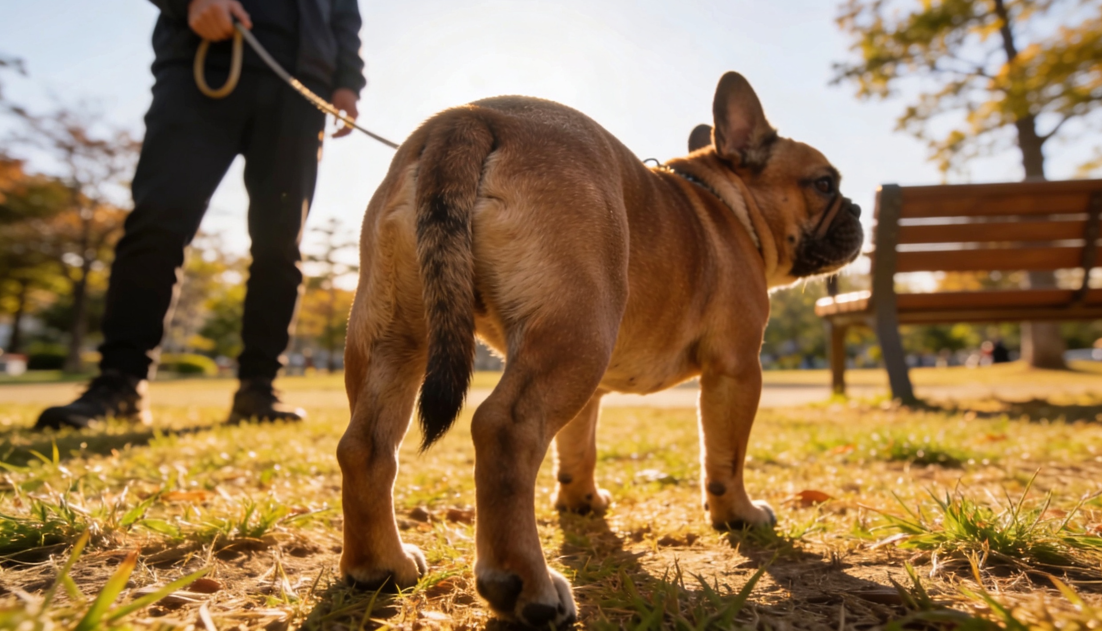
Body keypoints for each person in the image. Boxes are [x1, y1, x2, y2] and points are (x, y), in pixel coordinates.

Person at [36, 0, 366, 429]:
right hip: (201, 65)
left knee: (280, 245)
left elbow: (344, 15)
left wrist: (347, 82)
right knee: (157, 222)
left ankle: (258, 386)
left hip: (302, 90)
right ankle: (120, 380)